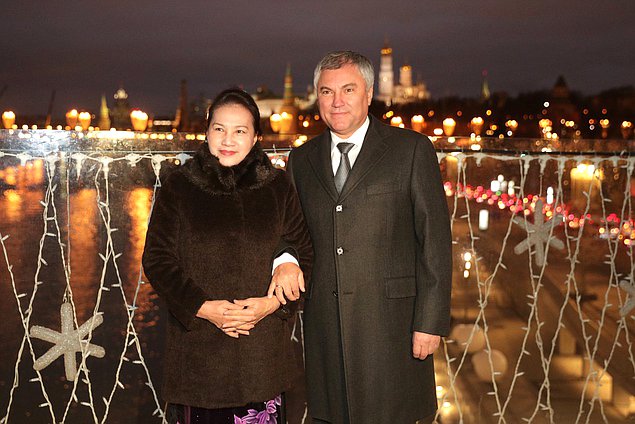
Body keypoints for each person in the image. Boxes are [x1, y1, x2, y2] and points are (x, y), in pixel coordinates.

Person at [280, 51, 452, 423]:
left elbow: (434, 241)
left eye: (347, 89)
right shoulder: (301, 160)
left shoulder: (411, 150)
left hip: (394, 328)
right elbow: (289, 232)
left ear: (369, 92)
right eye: (326, 91)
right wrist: (286, 259)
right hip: (326, 330)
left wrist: (430, 321)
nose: (336, 101)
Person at [142, 88, 312, 424]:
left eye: (240, 131)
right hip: (198, 359)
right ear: (206, 132)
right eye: (219, 129)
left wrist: (272, 303)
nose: (227, 139)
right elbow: (158, 260)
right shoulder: (179, 186)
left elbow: (303, 251)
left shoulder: (278, 187)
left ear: (255, 137)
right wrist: (205, 308)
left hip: (260, 357)